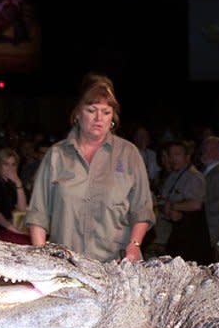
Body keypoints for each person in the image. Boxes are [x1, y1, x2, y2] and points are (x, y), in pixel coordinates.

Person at [26, 73, 155, 262]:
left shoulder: (129, 154)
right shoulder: (56, 155)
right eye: (92, 110)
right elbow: (38, 214)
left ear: (113, 117)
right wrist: (42, 260)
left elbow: (142, 209)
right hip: (67, 267)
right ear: (78, 113)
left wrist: (134, 245)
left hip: (116, 266)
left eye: (106, 112)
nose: (98, 118)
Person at [160, 140, 213, 265]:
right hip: (172, 224)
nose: (173, 159)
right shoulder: (173, 175)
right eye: (171, 155)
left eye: (177, 155)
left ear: (187, 157)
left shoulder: (194, 177)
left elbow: (196, 205)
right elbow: (164, 198)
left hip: (190, 234)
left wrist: (173, 206)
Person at [0, 148, 30, 244]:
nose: (10, 168)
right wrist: (12, 228)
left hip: (13, 224)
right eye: (6, 164)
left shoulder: (13, 182)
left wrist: (18, 183)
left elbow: (22, 208)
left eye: (13, 165)